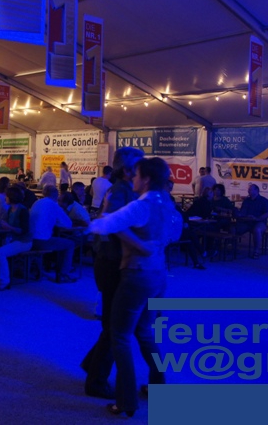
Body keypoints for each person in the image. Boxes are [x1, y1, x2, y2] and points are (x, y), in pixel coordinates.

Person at [88, 158, 183, 417]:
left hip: (137, 275)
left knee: (120, 337)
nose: (133, 179)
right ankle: (158, 386)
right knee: (144, 332)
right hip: (159, 275)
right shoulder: (167, 203)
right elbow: (174, 235)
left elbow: (102, 226)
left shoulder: (141, 205)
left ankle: (126, 402)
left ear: (147, 179)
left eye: (137, 175)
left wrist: (104, 214)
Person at [80, 147, 143, 399]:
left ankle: (92, 365)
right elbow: (108, 224)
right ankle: (96, 382)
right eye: (139, 166)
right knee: (114, 326)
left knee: (114, 325)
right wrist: (140, 242)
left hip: (113, 261)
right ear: (127, 170)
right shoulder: (119, 191)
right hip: (112, 263)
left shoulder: (125, 190)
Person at [29, 185, 77, 283]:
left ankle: (47, 267)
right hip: (41, 240)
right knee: (70, 244)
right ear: (56, 196)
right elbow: (68, 224)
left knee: (57, 241)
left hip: (29, 239)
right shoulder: (53, 205)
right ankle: (63, 275)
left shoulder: (37, 202)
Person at [0, 186, 31, 291]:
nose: (5, 198)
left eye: (7, 196)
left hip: (24, 241)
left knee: (0, 252)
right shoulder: (10, 209)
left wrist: (8, 227)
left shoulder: (23, 211)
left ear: (11, 197)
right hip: (14, 239)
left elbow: (23, 230)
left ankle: (4, 281)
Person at [234, 183, 268, 259]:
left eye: (251, 189)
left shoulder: (264, 201)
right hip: (247, 221)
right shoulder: (246, 201)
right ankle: (234, 248)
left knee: (257, 229)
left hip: (259, 222)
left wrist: (258, 218)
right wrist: (239, 214)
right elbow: (243, 211)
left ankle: (256, 251)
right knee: (233, 228)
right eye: (249, 189)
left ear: (257, 191)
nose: (249, 191)